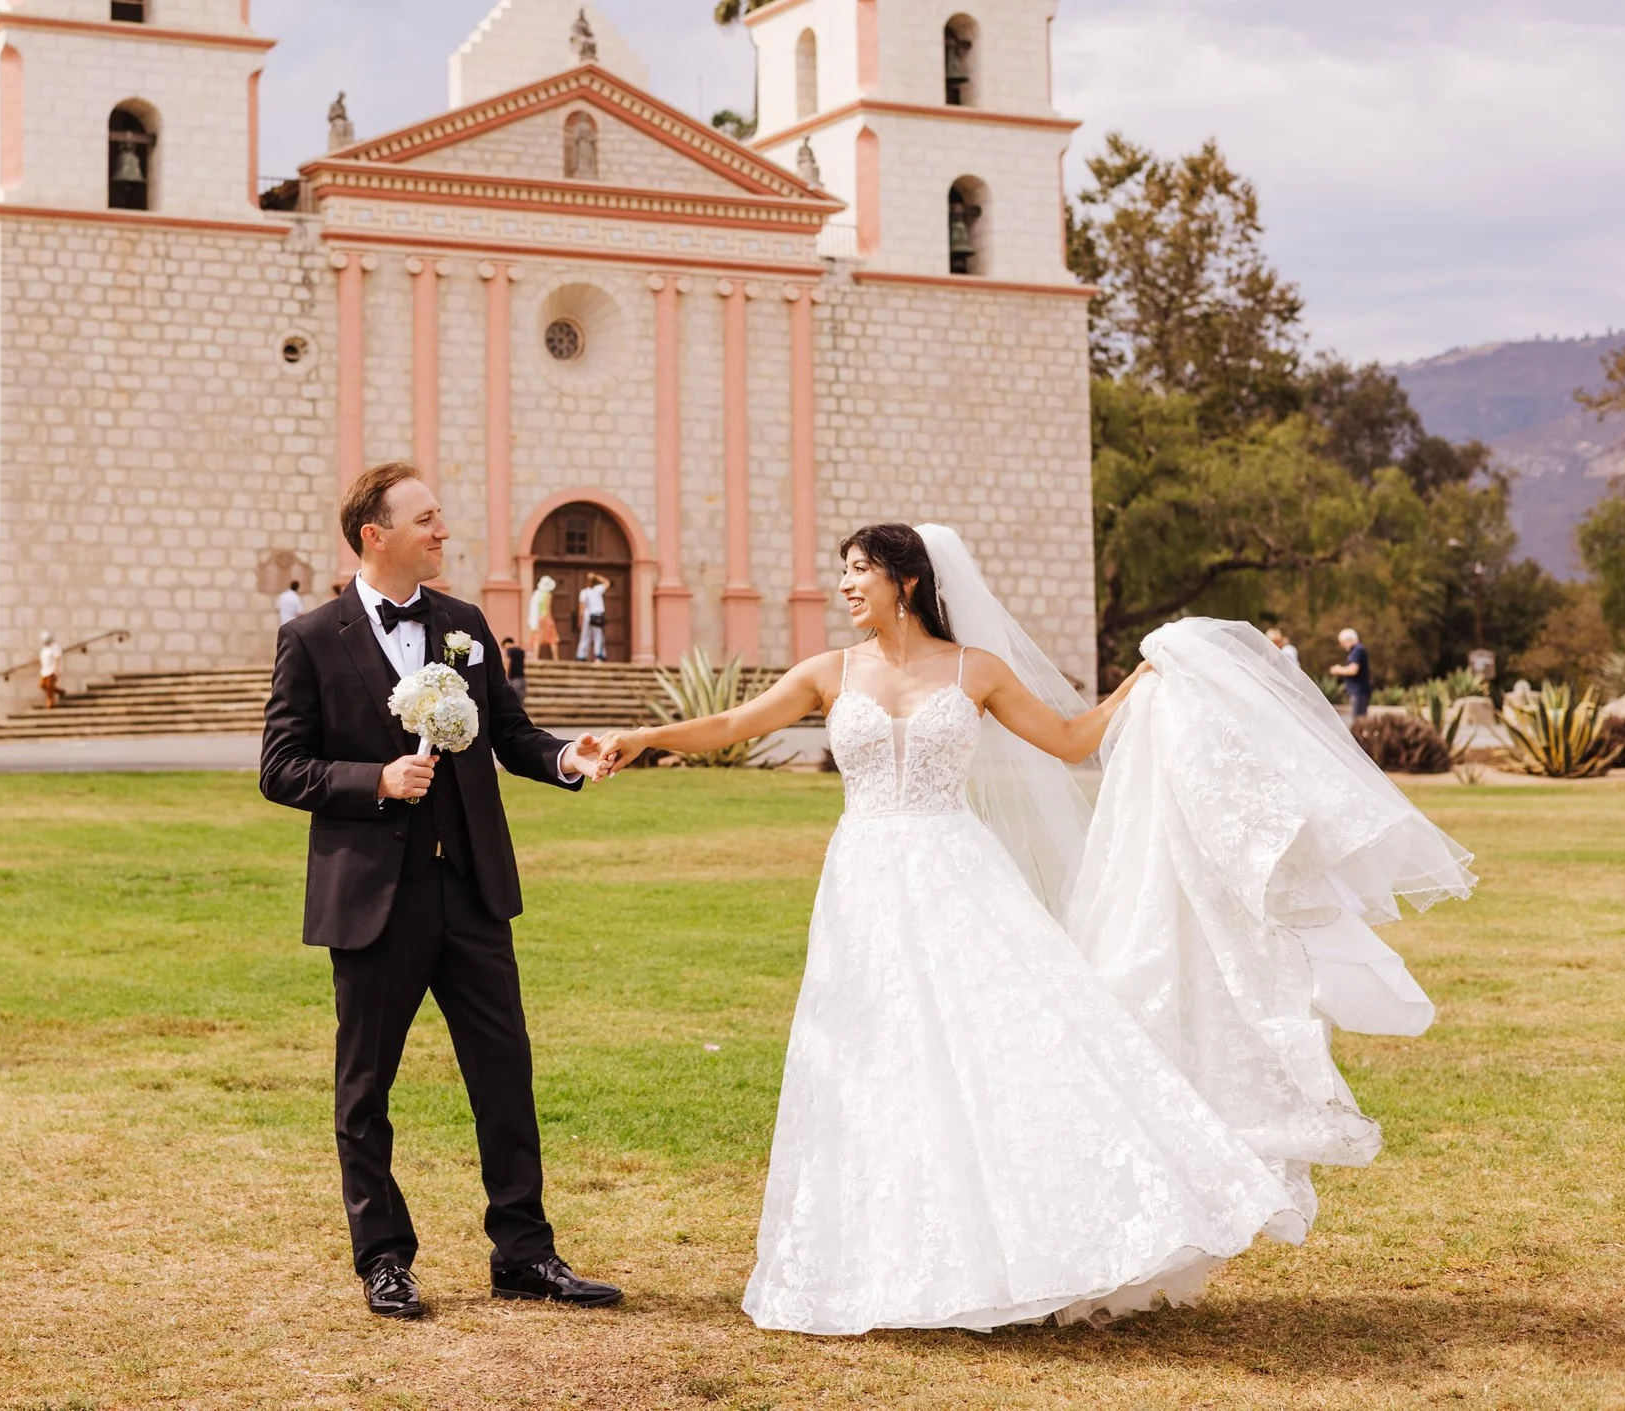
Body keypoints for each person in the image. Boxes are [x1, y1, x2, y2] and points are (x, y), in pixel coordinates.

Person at [599, 524, 1472, 1335]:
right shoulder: (831, 670)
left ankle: (1060, 1230)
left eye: (858, 569)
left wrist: (1145, 679)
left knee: (1004, 1045)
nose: (844, 585)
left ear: (906, 580)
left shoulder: (974, 670)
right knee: (873, 1052)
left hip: (957, 872)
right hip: (864, 878)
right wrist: (645, 735)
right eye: (843, 571)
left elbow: (1068, 738)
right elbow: (730, 723)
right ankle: (889, 1255)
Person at [260, 461, 623, 1322]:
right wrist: (377, 780)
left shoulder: (463, 622)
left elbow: (509, 734)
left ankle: (525, 1251)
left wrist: (568, 757)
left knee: (505, 1073)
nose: (443, 530)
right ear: (373, 534)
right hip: (374, 899)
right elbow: (280, 767)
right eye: (426, 518)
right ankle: (384, 1257)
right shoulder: (312, 636)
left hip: (471, 889)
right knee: (365, 1089)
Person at [1329, 627, 1373, 717]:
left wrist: (1338, 669)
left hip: (1359, 691)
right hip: (1357, 691)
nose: (1342, 646)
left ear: (1349, 640)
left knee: (1358, 719)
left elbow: (1353, 670)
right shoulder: (1355, 651)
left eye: (1343, 643)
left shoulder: (1358, 650)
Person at [574, 574, 608, 662]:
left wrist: (580, 620)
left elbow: (582, 607)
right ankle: (598, 656)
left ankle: (582, 656)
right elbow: (606, 582)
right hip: (596, 615)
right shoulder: (597, 590)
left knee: (585, 636)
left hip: (588, 616)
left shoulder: (588, 591)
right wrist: (597, 576)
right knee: (598, 636)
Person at [526, 575, 559, 661]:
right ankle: (556, 658)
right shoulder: (548, 595)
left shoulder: (537, 594)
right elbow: (547, 608)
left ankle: (535, 657)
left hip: (538, 619)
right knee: (552, 639)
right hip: (546, 617)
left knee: (537, 639)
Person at [37, 631, 64, 709]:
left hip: (52, 670)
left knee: (49, 686)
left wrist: (57, 669)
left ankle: (50, 702)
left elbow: (57, 658)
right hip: (44, 670)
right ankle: (60, 692)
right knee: (42, 685)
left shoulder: (55, 647)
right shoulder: (44, 649)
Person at [501, 635, 527, 708]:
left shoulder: (509, 651)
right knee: (521, 701)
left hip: (513, 678)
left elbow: (508, 663)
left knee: (514, 701)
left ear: (507, 644)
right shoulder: (521, 651)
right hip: (522, 678)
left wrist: (505, 675)